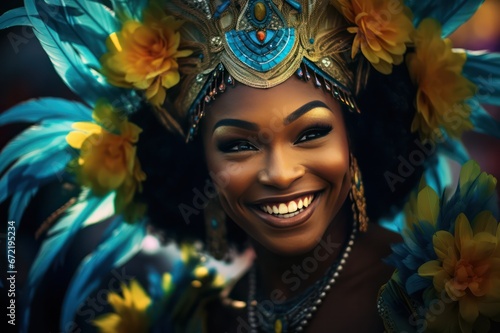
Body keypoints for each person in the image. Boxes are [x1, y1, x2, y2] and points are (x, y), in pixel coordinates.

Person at [0, 1, 499, 333]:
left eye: (310, 134)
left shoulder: (454, 290)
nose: (280, 173)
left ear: (359, 143)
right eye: (238, 145)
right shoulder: (191, 317)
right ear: (199, 169)